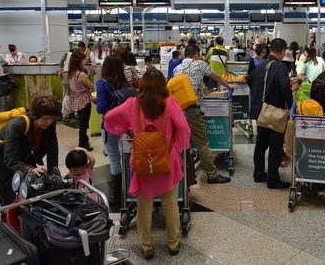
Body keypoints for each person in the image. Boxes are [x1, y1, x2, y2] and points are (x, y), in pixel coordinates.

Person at [104, 69, 190, 259]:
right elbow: (183, 127)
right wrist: (179, 144)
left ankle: (147, 246)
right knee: (171, 204)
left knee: (144, 206)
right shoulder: (171, 103)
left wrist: (127, 127)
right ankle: (173, 243)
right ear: (163, 85)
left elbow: (109, 118)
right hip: (167, 160)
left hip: (143, 162)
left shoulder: (131, 105)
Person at [0, 94, 60, 221]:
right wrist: (28, 169)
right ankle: (6, 225)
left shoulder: (48, 126)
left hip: (22, 157)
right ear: (34, 116)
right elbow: (10, 159)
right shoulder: (17, 125)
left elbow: (52, 148)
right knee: (8, 200)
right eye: (46, 118)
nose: (49, 122)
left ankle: (23, 223)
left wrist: (53, 174)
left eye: (53, 118)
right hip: (0, 162)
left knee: (29, 192)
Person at [173, 44, 234, 184]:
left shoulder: (178, 68)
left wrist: (201, 86)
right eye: (199, 55)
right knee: (202, 143)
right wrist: (229, 86)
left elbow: (184, 85)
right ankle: (212, 175)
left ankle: (182, 172)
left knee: (182, 142)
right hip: (192, 110)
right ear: (196, 55)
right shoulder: (199, 64)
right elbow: (217, 76)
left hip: (178, 111)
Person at [247, 38, 301, 189]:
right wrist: (290, 99)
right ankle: (273, 179)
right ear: (283, 51)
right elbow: (283, 86)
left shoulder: (261, 64)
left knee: (261, 144)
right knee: (276, 146)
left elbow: (249, 80)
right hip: (276, 112)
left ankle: (258, 174)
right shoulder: (281, 67)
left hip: (261, 111)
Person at [96, 54, 129, 204]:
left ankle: (116, 195)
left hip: (109, 126)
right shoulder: (125, 83)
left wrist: (96, 103)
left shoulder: (102, 84)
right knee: (128, 156)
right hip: (126, 125)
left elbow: (101, 108)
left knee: (114, 159)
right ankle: (130, 187)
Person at [69, 50, 95, 151]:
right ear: (78, 61)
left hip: (76, 99)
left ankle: (84, 140)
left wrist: (90, 71)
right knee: (84, 123)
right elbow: (91, 86)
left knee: (82, 122)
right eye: (83, 60)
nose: (84, 62)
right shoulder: (81, 74)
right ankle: (82, 143)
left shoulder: (71, 72)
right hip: (84, 100)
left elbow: (83, 81)